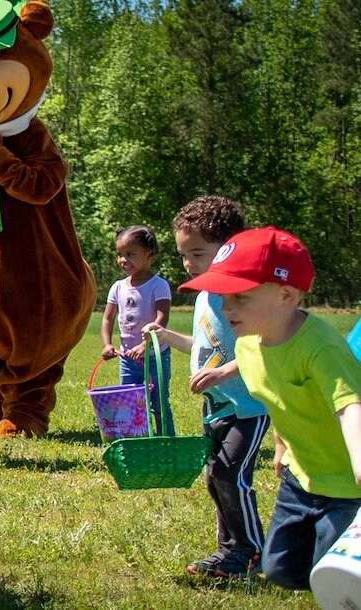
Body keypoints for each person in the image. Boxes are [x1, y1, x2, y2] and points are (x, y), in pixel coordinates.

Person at [179, 226, 361, 590]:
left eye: (240, 298)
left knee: (336, 576)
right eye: (224, 296)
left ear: (286, 294)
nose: (226, 307)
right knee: (281, 569)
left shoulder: (321, 349)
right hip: (300, 477)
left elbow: (349, 405)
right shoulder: (249, 344)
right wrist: (280, 445)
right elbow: (275, 391)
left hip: (346, 484)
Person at [143, 196, 269, 578]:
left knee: (231, 476)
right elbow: (203, 348)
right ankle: (228, 549)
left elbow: (266, 346)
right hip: (216, 407)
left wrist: (224, 373)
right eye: (183, 255)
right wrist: (167, 336)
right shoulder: (203, 297)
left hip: (247, 407)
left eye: (197, 253)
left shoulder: (245, 293)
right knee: (216, 479)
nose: (188, 263)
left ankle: (250, 552)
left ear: (228, 247)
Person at [100, 225, 173, 431]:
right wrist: (107, 344)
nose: (123, 260)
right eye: (120, 254)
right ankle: (134, 439)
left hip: (154, 357)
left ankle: (165, 439)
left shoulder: (158, 285)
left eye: (130, 254)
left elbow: (162, 318)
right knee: (129, 403)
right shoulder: (118, 287)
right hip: (127, 359)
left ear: (149, 254)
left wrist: (145, 344)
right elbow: (107, 319)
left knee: (158, 402)